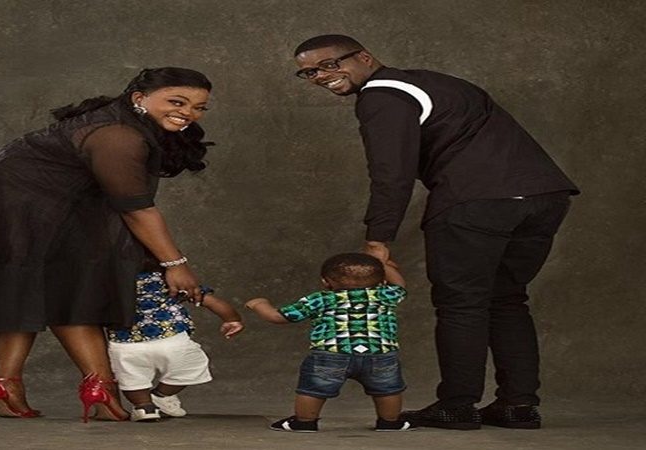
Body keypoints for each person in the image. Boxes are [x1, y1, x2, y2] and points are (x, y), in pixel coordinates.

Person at [291, 35, 579, 430]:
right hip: (544, 196)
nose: (321, 76)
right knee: (507, 299)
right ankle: (518, 405)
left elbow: (391, 173)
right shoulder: (437, 82)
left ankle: (457, 406)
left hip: (477, 201)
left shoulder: (381, 95)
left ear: (364, 57)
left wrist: (378, 239)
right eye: (309, 72)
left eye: (329, 64)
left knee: (462, 304)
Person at [0, 67, 215, 422]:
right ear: (139, 98)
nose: (188, 113)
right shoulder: (117, 136)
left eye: (198, 107)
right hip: (2, 198)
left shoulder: (128, 124)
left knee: (47, 287)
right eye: (177, 102)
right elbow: (136, 209)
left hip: (41, 198)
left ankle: (12, 386)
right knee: (53, 288)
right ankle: (98, 391)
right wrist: (176, 265)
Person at [245, 253, 414, 433]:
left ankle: (304, 422)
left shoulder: (320, 299)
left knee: (314, 389)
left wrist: (259, 304)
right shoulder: (387, 295)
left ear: (326, 282)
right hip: (380, 354)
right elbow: (400, 284)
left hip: (330, 354)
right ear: (382, 281)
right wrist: (382, 263)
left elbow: (277, 317)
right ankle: (390, 423)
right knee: (387, 389)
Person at [107, 262, 244, 422]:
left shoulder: (108, 283)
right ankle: (161, 395)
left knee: (132, 378)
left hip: (125, 342)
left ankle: (144, 407)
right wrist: (232, 319)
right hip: (171, 338)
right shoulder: (171, 280)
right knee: (188, 367)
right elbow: (211, 302)